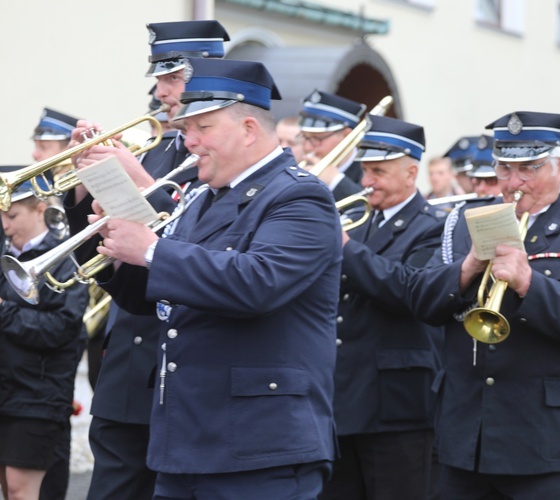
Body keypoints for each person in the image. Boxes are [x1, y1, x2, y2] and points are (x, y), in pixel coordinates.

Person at [90, 56, 340, 499]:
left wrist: (150, 248)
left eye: (201, 128)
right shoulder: (201, 198)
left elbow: (256, 283)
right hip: (184, 442)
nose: (188, 143)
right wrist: (118, 249)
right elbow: (155, 298)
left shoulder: (300, 196)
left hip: (260, 449)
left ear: (247, 129)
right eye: (186, 130)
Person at [405, 111, 560, 499]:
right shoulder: (464, 218)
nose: (513, 182)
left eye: (529, 168)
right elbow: (420, 301)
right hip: (467, 434)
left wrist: (529, 283)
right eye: (504, 169)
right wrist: (467, 268)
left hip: (547, 440)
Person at [64, 20, 230, 500]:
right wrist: (83, 188)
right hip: (129, 371)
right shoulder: (154, 152)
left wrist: (141, 185)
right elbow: (102, 252)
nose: (160, 91)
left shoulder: (226, 162)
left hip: (183, 369)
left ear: (209, 74)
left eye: (172, 78)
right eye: (159, 79)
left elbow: (201, 246)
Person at [320, 115, 445, 500]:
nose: (367, 180)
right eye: (365, 170)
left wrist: (343, 246)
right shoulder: (359, 221)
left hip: (397, 403)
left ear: (411, 173)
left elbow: (409, 289)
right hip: (344, 394)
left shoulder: (434, 226)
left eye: (379, 171)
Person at [0, 178, 88, 500]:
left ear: (39, 209)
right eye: (2, 217)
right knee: (9, 490)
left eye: (12, 216)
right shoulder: (3, 253)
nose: (5, 226)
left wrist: (4, 312)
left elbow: (62, 327)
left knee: (23, 490)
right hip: (6, 389)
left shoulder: (63, 259)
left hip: (38, 394)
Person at [297, 89, 366, 201]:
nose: (307, 147)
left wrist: (336, 181)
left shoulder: (368, 170)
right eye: (304, 137)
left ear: (346, 136)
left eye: (317, 138)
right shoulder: (297, 166)